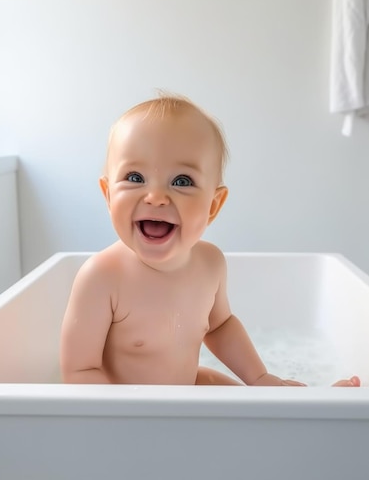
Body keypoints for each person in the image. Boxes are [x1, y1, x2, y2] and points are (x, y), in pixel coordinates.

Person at [60, 94, 360, 387]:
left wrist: (260, 378)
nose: (155, 197)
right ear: (108, 195)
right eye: (135, 177)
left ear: (213, 206)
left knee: (250, 406)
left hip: (189, 389)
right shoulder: (102, 277)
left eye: (182, 181)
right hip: (126, 416)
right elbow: (79, 371)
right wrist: (127, 421)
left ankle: (310, 408)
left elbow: (219, 327)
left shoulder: (210, 263)